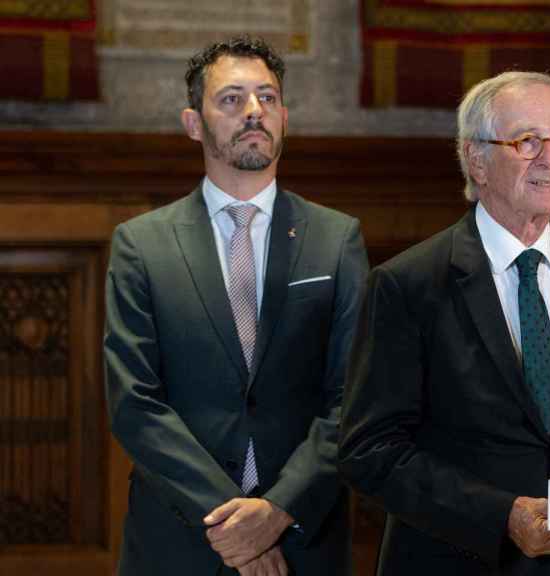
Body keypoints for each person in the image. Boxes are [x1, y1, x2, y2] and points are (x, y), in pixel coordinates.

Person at [337, 71, 550, 575]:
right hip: (457, 560)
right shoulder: (410, 283)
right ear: (476, 159)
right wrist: (501, 515)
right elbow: (370, 450)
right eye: (528, 141)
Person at [104, 36, 368, 576]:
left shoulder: (336, 240)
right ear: (193, 123)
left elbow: (355, 395)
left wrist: (276, 512)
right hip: (179, 542)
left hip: (302, 539)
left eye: (267, 98)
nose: (253, 111)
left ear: (284, 117)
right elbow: (135, 404)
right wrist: (236, 529)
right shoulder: (141, 244)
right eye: (231, 99)